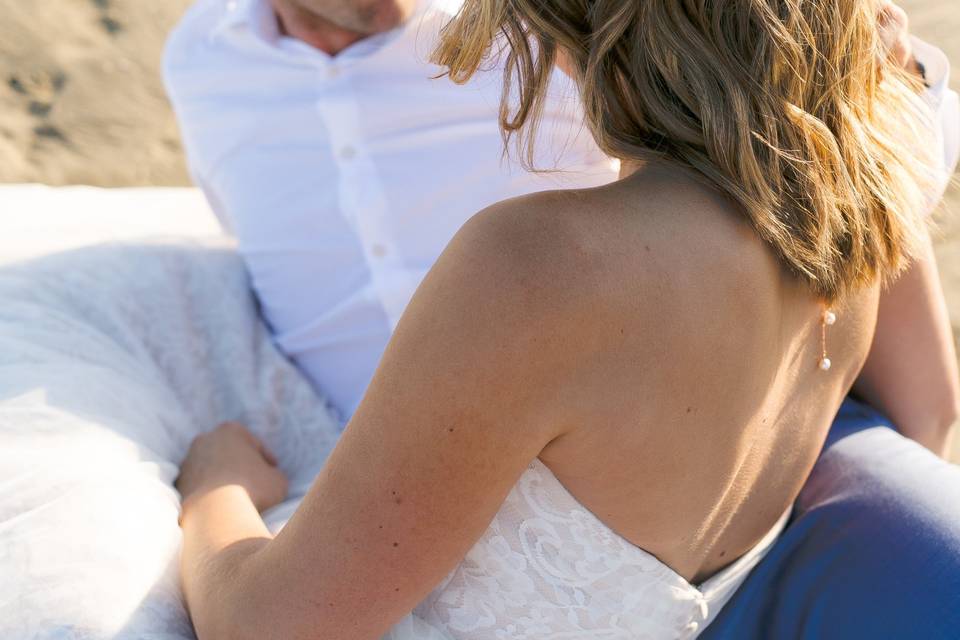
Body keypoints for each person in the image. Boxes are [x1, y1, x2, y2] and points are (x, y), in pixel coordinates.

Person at [163, 0, 960, 637]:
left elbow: (271, 629)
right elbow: (930, 413)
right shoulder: (865, 198)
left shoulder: (539, 262)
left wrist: (215, 485)